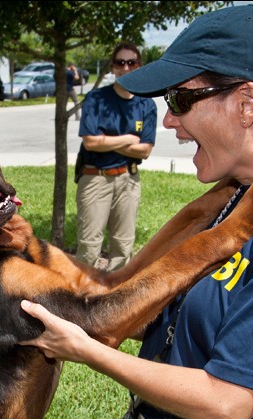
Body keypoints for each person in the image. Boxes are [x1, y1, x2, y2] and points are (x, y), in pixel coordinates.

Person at [18, 6, 253, 419]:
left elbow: (228, 406)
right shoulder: (240, 195)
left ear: (247, 103)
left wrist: (87, 350)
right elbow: (174, 318)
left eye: (180, 100)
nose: (168, 121)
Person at [74, 42, 157, 271]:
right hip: (95, 179)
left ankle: (115, 300)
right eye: (120, 62)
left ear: (139, 66)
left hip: (128, 181)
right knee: (89, 247)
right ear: (113, 67)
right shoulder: (96, 99)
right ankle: (81, 300)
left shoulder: (146, 104)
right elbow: (90, 141)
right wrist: (130, 139)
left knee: (123, 247)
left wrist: (105, 141)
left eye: (132, 62)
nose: (126, 67)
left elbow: (146, 150)